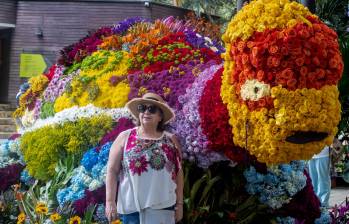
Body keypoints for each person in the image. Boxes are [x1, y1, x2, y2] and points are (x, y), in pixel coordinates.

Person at [105, 92, 184, 224]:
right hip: (132, 211)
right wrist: (110, 202)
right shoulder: (124, 137)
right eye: (142, 108)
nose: (146, 112)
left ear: (160, 116)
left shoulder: (171, 140)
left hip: (163, 208)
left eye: (152, 109)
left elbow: (179, 172)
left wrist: (180, 204)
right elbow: (112, 171)